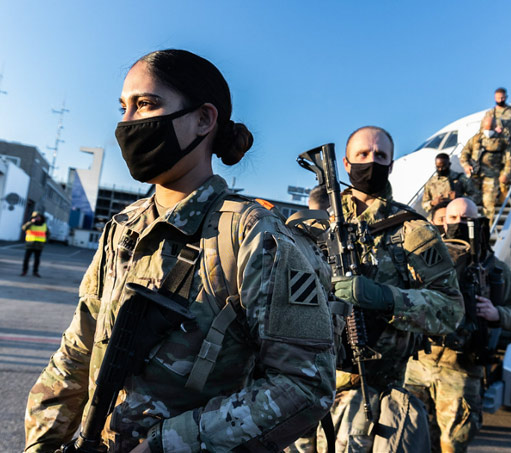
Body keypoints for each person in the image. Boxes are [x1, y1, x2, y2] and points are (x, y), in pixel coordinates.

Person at [25, 49, 335, 453]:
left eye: (146, 104)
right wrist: (43, 443)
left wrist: (166, 445)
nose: (128, 123)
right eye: (124, 107)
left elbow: (305, 385)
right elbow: (78, 349)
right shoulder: (122, 228)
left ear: (204, 119)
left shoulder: (252, 235)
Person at [295, 126, 465, 452]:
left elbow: (451, 310)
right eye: (362, 155)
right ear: (346, 163)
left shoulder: (412, 230)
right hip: (304, 382)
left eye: (380, 156)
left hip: (371, 389)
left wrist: (386, 298)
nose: (371, 162)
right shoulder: (315, 224)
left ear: (391, 164)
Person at [405, 197, 511, 453]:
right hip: (418, 363)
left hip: (461, 370)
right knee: (410, 439)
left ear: (479, 221)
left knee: (452, 444)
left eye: (465, 219)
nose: (458, 224)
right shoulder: (424, 260)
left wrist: (497, 313)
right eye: (452, 218)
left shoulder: (493, 268)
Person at [459, 117, 511, 224]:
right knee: (469, 203)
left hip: (491, 177)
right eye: (486, 128)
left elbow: (509, 160)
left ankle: (487, 231)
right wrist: (466, 165)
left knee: (488, 205)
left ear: (495, 127)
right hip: (475, 177)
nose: (488, 131)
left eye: (490, 128)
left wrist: (505, 174)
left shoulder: (502, 141)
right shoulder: (475, 139)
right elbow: (464, 153)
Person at [21, 211, 48, 277]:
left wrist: (45, 241)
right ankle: (24, 271)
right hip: (30, 244)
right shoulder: (30, 224)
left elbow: (47, 233)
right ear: (33, 217)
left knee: (37, 260)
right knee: (26, 259)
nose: (37, 218)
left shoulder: (44, 225)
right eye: (36, 217)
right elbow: (24, 228)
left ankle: (35, 272)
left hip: (39, 245)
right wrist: (31, 222)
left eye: (39, 217)